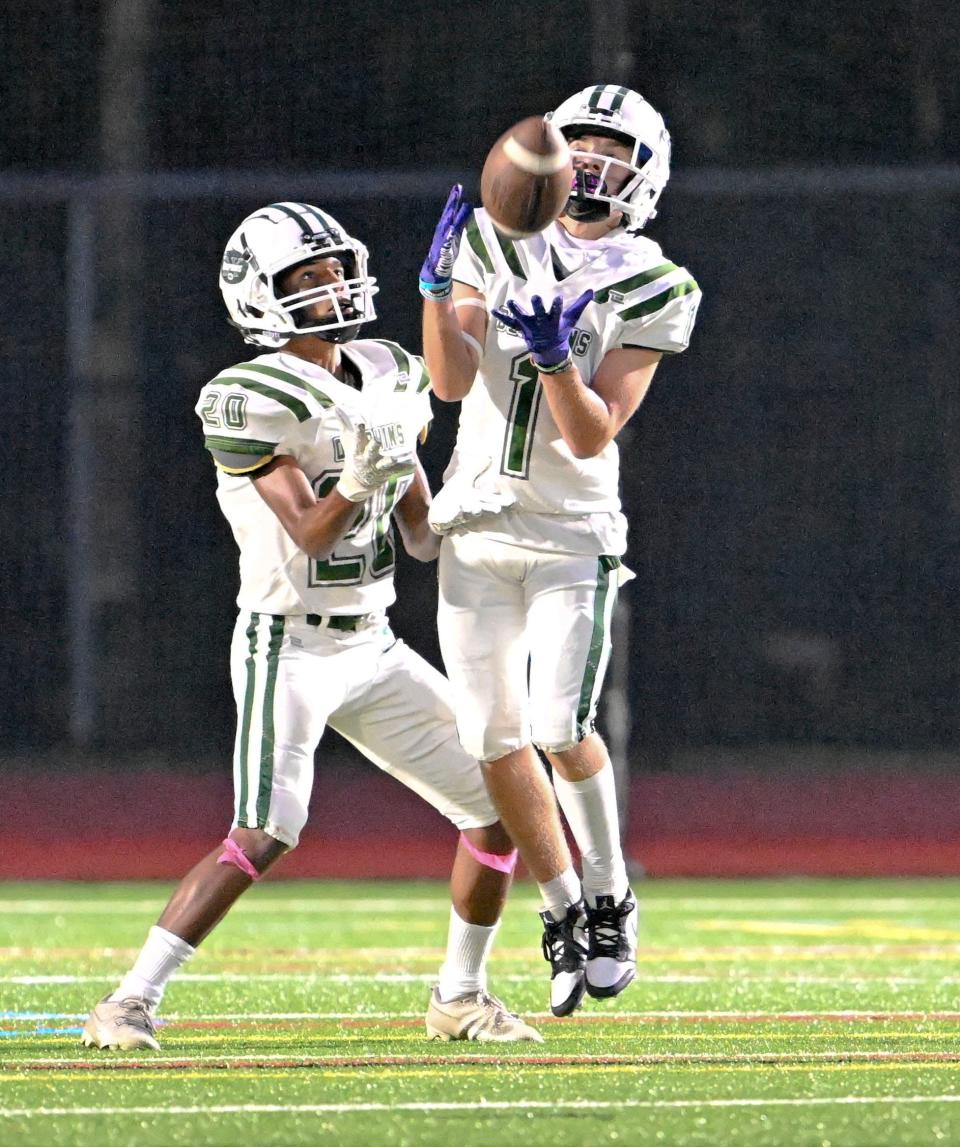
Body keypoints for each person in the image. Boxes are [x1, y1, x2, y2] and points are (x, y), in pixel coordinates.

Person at [82, 201, 546, 1051]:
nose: (332, 285)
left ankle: (459, 993)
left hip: (372, 640)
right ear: (261, 295)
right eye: (307, 276)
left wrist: (452, 514)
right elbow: (310, 531)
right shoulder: (244, 393)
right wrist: (360, 476)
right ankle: (128, 1000)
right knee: (265, 829)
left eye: (335, 268)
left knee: (494, 807)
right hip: (286, 642)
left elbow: (414, 535)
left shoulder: (390, 368)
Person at [419, 85, 702, 1014]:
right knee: (493, 738)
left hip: (569, 529)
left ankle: (612, 894)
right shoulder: (494, 238)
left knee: (558, 727)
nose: (586, 161)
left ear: (646, 172)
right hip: (475, 521)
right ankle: (561, 905)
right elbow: (452, 382)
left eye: (608, 148)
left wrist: (552, 357)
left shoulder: (656, 282)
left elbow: (592, 434)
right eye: (575, 142)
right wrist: (436, 295)